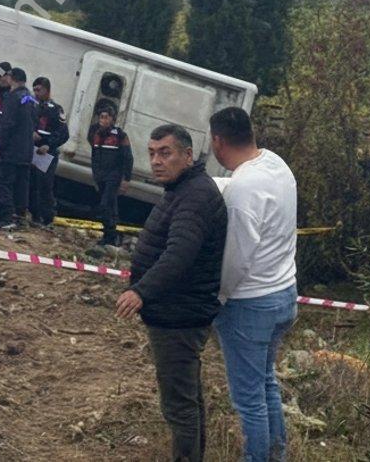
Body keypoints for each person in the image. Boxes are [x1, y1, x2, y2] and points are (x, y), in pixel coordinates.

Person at [115, 124, 227, 462]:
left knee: (179, 407)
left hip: (179, 317)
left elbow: (180, 253)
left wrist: (141, 292)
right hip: (178, 311)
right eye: (151, 153)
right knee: (188, 400)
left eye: (165, 153)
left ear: (188, 155)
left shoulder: (194, 196)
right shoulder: (183, 189)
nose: (156, 161)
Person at [209, 107, 298, 462]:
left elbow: (237, 256)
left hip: (249, 303)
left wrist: (218, 296)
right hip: (284, 293)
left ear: (218, 141)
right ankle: (278, 455)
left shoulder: (242, 188)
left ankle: (258, 458)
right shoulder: (276, 164)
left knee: (248, 400)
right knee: (265, 384)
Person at [0, 68, 35, 229]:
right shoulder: (30, 98)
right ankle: (20, 217)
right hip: (27, 150)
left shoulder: (12, 97)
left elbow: (7, 125)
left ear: (12, 78)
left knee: (2, 181)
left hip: (11, 150)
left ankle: (6, 216)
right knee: (21, 185)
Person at [88, 106, 133, 248]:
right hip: (100, 175)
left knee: (105, 205)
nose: (103, 120)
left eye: (106, 117)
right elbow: (94, 155)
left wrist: (126, 179)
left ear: (113, 120)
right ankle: (112, 236)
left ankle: (109, 235)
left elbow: (128, 158)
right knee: (111, 206)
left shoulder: (120, 135)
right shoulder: (94, 132)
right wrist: (95, 175)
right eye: (101, 117)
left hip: (113, 175)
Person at [29, 76, 69, 227]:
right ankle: (34, 215)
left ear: (46, 90)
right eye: (34, 90)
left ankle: (48, 217)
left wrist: (49, 145)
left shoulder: (56, 109)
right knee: (32, 184)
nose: (36, 93)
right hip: (33, 150)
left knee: (45, 185)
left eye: (39, 90)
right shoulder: (33, 106)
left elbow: (63, 134)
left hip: (47, 153)